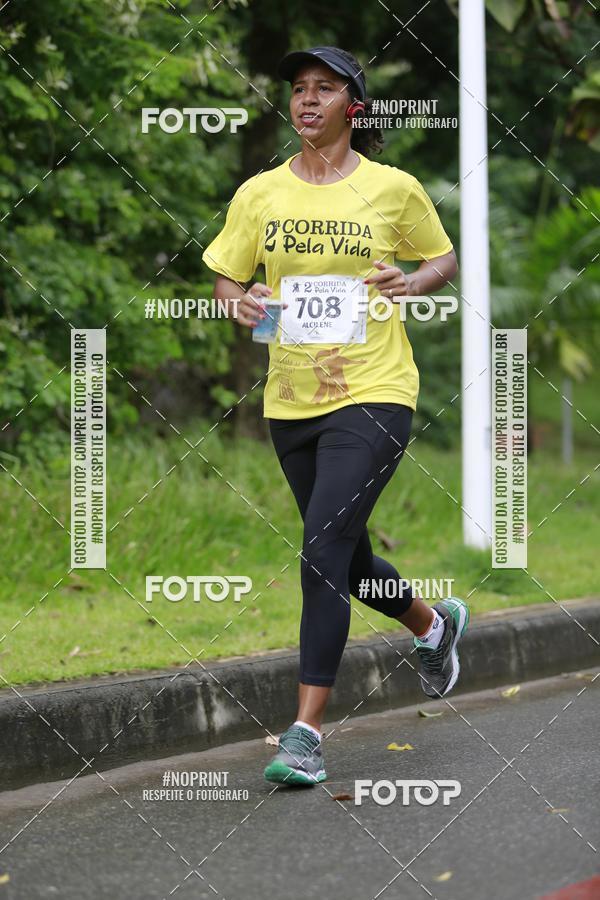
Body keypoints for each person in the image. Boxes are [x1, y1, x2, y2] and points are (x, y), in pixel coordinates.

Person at [202, 46, 469, 786]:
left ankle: (304, 736)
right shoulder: (260, 194)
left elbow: (444, 259)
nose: (307, 100)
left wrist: (411, 280)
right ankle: (432, 625)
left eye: (325, 89)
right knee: (342, 557)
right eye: (298, 89)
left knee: (319, 551)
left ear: (355, 105)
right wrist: (240, 301)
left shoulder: (394, 188)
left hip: (377, 392)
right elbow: (228, 277)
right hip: (291, 400)